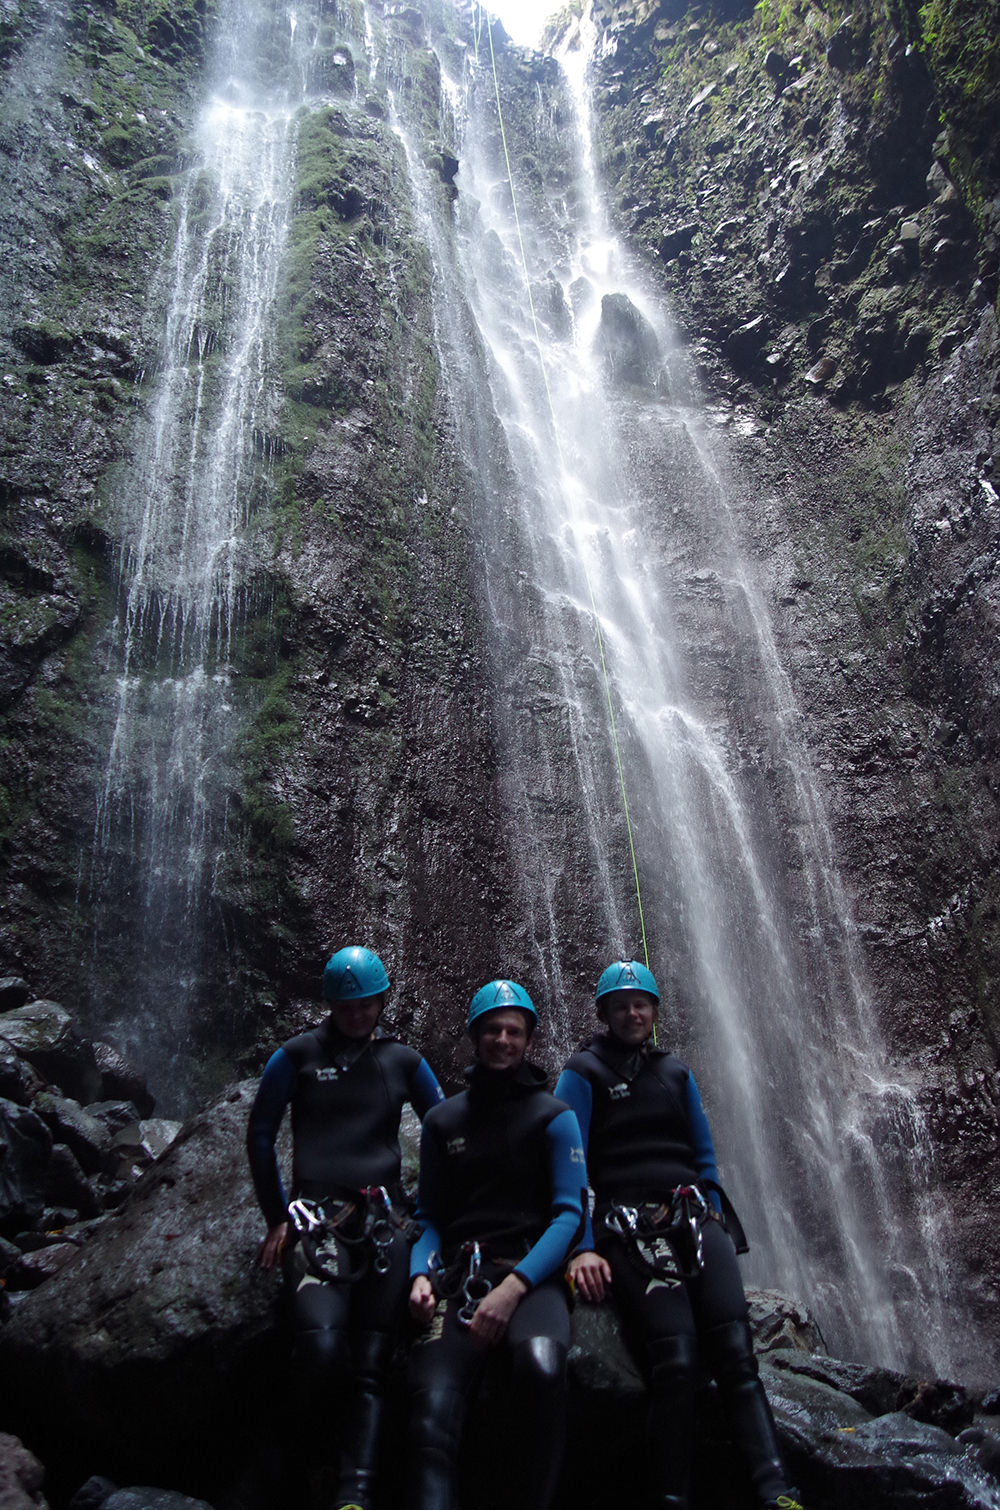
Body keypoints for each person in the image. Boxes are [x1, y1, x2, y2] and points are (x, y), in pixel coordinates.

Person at [554, 959, 804, 1510]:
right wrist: (582, 1247)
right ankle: (670, 1497)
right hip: (626, 1227)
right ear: (604, 1013)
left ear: (654, 1011)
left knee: (736, 1352)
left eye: (641, 1004)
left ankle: (776, 1490)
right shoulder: (582, 1072)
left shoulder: (675, 1072)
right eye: (621, 1006)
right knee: (678, 1357)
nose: (632, 1013)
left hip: (690, 1218)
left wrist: (711, 1207)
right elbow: (569, 1167)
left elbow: (704, 1154)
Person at [246, 945, 444, 1510]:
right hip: (317, 1223)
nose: (358, 1014)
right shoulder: (296, 1056)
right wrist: (276, 1216)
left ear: (382, 1001)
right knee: (323, 1344)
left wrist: (432, 1215)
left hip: (385, 1222)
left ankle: (353, 1493)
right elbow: (260, 1135)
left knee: (373, 1364)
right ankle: (295, 1464)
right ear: (330, 1004)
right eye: (347, 1005)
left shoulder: (404, 1061)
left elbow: (448, 1129)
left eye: (367, 1004)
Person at [407, 979, 586, 1510]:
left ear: (528, 1039)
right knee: (430, 1411)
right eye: (492, 1031)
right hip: (460, 1277)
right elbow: (429, 1216)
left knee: (541, 1365)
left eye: (513, 1031)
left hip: (532, 1276)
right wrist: (420, 1273)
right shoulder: (442, 1121)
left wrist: (514, 1288)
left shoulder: (555, 1117)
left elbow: (569, 1214)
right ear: (474, 1036)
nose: (503, 1040)